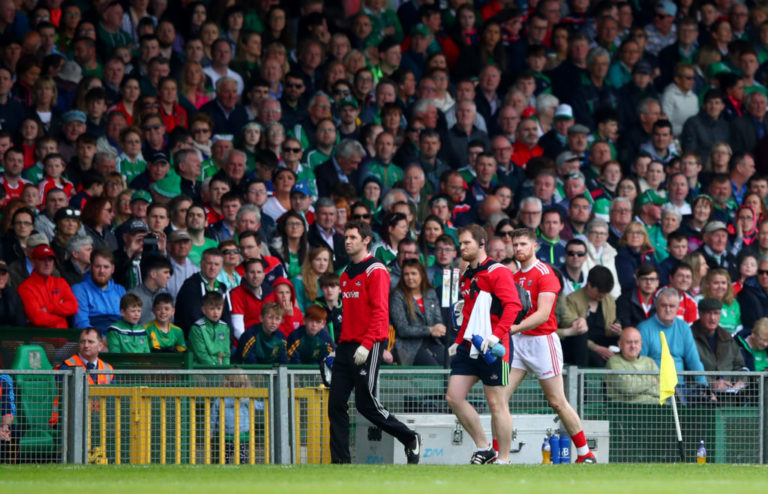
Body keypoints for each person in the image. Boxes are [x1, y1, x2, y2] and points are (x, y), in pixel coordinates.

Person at [328, 219, 421, 464]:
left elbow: (381, 313)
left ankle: (409, 438)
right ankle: (340, 463)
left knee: (365, 403)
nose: (347, 241)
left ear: (366, 240)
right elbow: (349, 314)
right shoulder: (346, 273)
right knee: (335, 403)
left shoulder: (376, 270)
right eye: (345, 237)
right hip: (347, 345)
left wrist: (367, 344)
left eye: (352, 238)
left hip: (368, 344)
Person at [510, 227, 596, 463]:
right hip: (519, 342)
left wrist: (511, 329)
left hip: (541, 341)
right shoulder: (515, 277)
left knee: (557, 401)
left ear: (534, 246)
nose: (518, 249)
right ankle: (499, 456)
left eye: (523, 244)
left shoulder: (545, 273)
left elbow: (542, 314)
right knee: (499, 398)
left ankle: (585, 453)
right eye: (515, 245)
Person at [445, 224, 522, 464]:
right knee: (453, 397)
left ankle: (505, 459)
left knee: (497, 403)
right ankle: (484, 446)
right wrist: (458, 341)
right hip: (469, 347)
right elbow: (467, 312)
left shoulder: (498, 272)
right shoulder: (467, 275)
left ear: (481, 244)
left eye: (466, 243)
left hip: (494, 349)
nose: (462, 248)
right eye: (461, 244)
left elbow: (513, 306)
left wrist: (497, 335)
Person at [637, 288, 708, 387]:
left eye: (672, 306)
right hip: (653, 387)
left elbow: (694, 360)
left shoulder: (684, 327)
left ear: (678, 308)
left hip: (679, 386)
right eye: (664, 305)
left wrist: (705, 387)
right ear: (656, 306)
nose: (668, 309)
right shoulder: (644, 329)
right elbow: (639, 364)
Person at [559, 266, 620, 368]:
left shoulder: (609, 300)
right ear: (589, 285)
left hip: (605, 343)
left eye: (605, 294)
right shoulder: (572, 299)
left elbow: (611, 327)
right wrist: (596, 348)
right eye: (599, 293)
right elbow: (574, 329)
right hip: (583, 345)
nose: (602, 297)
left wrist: (617, 329)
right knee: (597, 360)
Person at [389, 259, 446, 366]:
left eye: (413, 273)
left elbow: (437, 319)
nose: (410, 277)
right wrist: (430, 330)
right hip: (409, 346)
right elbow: (403, 329)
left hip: (432, 342)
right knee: (433, 368)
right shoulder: (397, 296)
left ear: (422, 275)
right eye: (406, 274)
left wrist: (439, 326)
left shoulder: (430, 293)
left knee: (449, 364)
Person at [691, 298, 747, 391]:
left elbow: (740, 366)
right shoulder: (689, 336)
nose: (712, 318)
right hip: (700, 396)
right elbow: (687, 369)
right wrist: (711, 383)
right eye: (708, 313)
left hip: (729, 397)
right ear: (700, 314)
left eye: (716, 313)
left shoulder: (727, 337)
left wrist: (740, 382)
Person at [17, 244, 78, 328]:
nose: (47, 263)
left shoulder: (60, 282)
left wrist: (50, 308)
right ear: (33, 263)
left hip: (63, 337)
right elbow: (38, 319)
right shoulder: (25, 287)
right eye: (42, 259)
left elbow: (74, 306)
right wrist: (62, 316)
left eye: (50, 260)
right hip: (40, 338)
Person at [175, 248, 231, 335]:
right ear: (201, 264)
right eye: (209, 263)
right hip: (193, 339)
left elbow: (227, 319)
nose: (213, 268)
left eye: (216, 264)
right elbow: (194, 318)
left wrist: (227, 341)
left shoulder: (222, 287)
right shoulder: (190, 285)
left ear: (222, 266)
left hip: (215, 338)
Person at [71, 248, 125, 333]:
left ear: (113, 269)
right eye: (98, 266)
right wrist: (102, 340)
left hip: (119, 339)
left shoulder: (120, 290)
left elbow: (128, 320)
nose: (101, 271)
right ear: (91, 267)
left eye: (106, 267)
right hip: (92, 340)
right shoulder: (79, 289)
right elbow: (81, 323)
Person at [604, 327, 660, 404]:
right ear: (620, 344)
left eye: (636, 342)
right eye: (629, 342)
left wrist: (636, 387)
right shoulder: (614, 361)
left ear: (641, 344)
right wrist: (652, 381)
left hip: (655, 407)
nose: (633, 346)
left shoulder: (650, 362)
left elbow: (661, 389)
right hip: (625, 409)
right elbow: (628, 387)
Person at [189, 291, 231, 366]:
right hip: (200, 369)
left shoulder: (225, 327)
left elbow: (226, 353)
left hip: (221, 369)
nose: (216, 312)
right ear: (204, 310)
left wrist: (225, 369)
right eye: (212, 309)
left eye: (219, 308)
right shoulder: (197, 328)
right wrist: (216, 369)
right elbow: (201, 355)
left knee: (240, 376)